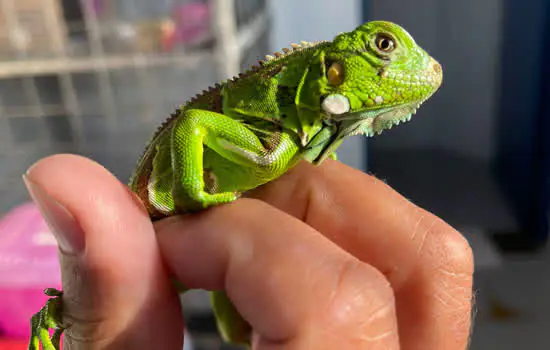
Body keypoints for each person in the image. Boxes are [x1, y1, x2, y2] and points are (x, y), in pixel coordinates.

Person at [23, 154, 474, 349]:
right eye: (383, 49)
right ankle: (58, 313)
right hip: (161, 207)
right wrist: (194, 188)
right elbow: (197, 125)